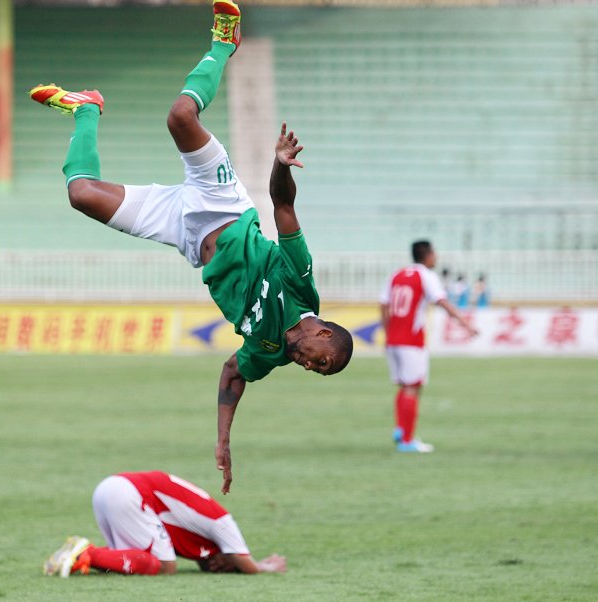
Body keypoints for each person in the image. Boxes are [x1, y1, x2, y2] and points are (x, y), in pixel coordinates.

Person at [29, 0, 353, 492]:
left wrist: (223, 440)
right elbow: (283, 210)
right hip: (222, 204)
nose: (310, 366)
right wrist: (281, 165)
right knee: (180, 115)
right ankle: (224, 43)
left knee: (82, 195)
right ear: (325, 335)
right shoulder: (302, 285)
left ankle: (86, 109)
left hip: (184, 233)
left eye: (316, 371)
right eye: (321, 360)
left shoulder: (269, 353)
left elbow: (231, 374)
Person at [43, 471, 287, 577]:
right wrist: (266, 567)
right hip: (129, 492)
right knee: (165, 566)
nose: (218, 568)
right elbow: (247, 564)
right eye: (227, 566)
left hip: (111, 488)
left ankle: (73, 554)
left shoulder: (198, 539)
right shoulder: (224, 523)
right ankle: (87, 554)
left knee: (133, 558)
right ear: (229, 553)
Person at [378, 240, 478, 453]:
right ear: (428, 255)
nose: (436, 257)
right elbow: (441, 301)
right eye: (435, 253)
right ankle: (407, 440)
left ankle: (400, 429)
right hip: (412, 341)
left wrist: (388, 332)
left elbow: (383, 304)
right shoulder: (426, 276)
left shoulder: (396, 274)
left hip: (393, 340)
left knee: (405, 385)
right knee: (413, 386)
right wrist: (465, 323)